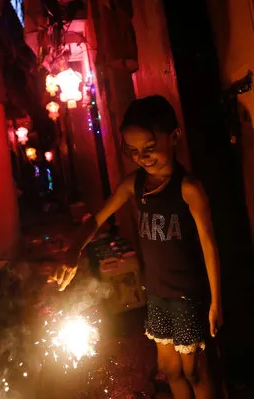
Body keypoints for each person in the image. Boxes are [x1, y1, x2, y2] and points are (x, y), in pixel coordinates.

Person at [51, 95, 223, 399]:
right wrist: (73, 251)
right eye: (132, 151)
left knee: (195, 369)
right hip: (157, 294)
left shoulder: (188, 189)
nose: (142, 157)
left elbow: (209, 246)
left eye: (149, 148)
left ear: (175, 137)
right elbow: (98, 219)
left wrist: (215, 302)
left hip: (187, 296)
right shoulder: (134, 184)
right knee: (170, 370)